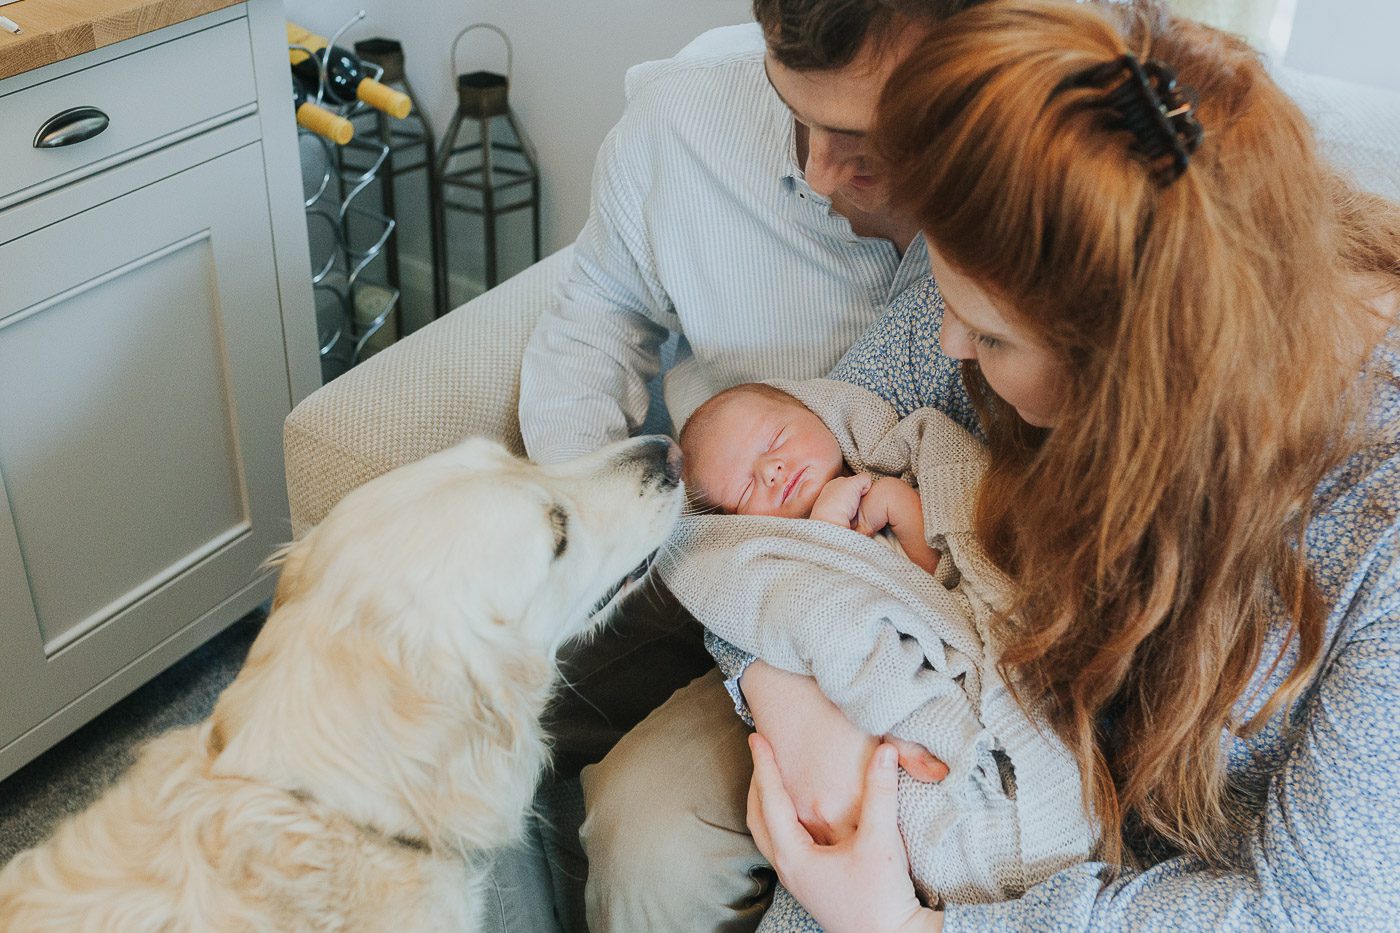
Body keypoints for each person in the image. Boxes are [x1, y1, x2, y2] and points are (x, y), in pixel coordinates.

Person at [742, 1, 1400, 930]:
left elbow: (1310, 914)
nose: (945, 343)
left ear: (1135, 372)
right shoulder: (1018, 226)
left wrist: (914, 927)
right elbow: (771, 476)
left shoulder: (1375, 530)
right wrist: (797, 707)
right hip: (939, 805)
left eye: (993, 336)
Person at [507, 1, 984, 930]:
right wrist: (599, 522)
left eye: (865, 134)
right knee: (419, 668)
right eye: (795, 110)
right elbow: (595, 314)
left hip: (887, 594)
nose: (816, 170)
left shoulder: (1040, 193)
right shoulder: (679, 132)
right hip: (703, 543)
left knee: (653, 842)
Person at [679, 381, 943, 575]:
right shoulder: (783, 569)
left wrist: (895, 499)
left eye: (776, 440)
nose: (770, 471)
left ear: (812, 410)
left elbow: (947, 577)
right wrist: (827, 531)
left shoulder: (896, 468)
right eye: (745, 490)